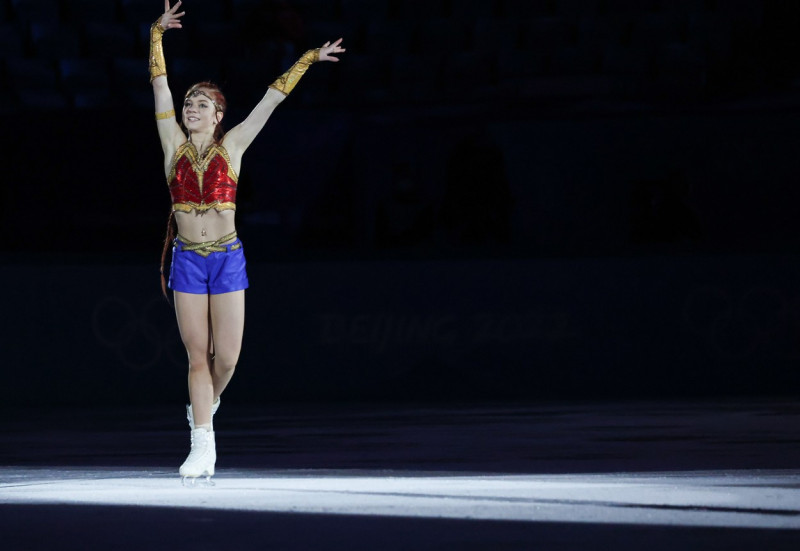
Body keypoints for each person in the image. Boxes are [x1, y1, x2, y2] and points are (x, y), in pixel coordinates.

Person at [150, 0, 345, 484]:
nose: (191, 107)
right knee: (198, 356)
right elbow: (158, 85)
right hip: (188, 260)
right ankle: (202, 444)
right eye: (188, 101)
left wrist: (306, 59)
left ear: (217, 116)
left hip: (228, 259)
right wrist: (156, 35)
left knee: (228, 358)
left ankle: (205, 406)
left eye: (201, 103)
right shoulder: (171, 143)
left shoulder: (233, 145)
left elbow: (271, 100)